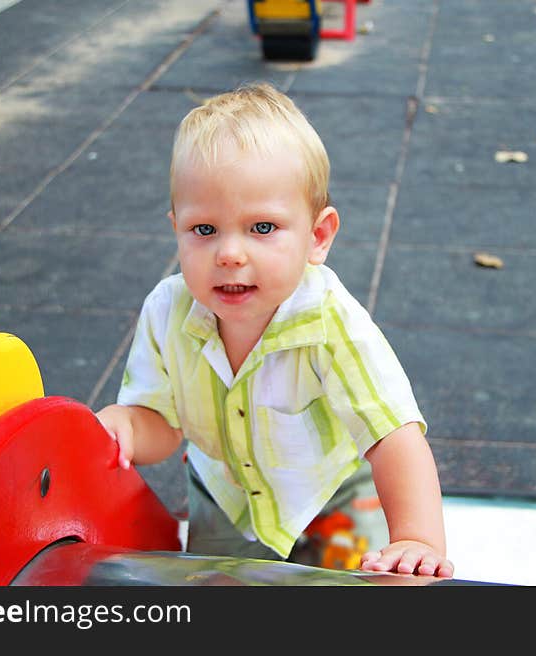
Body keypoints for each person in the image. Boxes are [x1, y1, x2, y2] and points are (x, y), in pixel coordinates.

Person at [95, 82, 454, 578]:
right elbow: (162, 426)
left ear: (318, 237)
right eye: (204, 230)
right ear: (176, 227)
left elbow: (395, 434)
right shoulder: (167, 311)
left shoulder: (331, 323)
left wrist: (417, 538)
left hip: (329, 501)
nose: (230, 253)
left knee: (346, 587)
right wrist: (128, 426)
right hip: (225, 499)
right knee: (217, 583)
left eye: (262, 228)